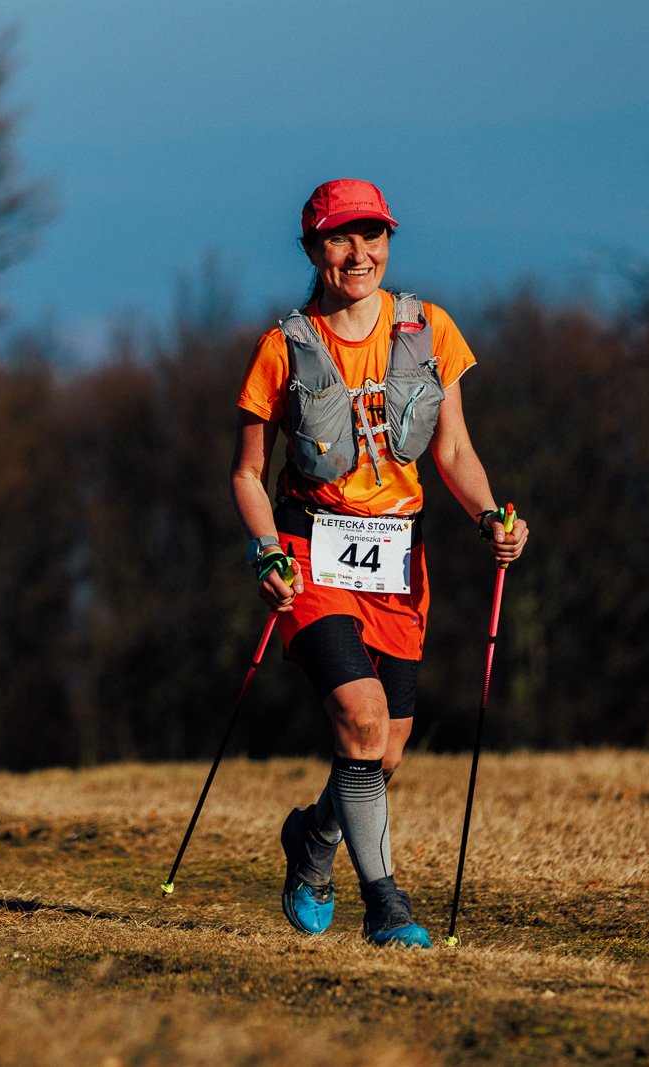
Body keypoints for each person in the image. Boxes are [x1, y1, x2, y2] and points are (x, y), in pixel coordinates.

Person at [230, 178, 528, 948]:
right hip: (313, 554)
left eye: (373, 236)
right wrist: (267, 550)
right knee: (360, 718)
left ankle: (313, 836)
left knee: (385, 750)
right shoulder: (283, 348)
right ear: (312, 250)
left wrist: (489, 515)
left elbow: (452, 450)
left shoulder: (429, 330)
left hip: (399, 563)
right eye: (340, 238)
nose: (359, 253)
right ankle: (386, 905)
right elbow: (248, 472)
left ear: (389, 241)